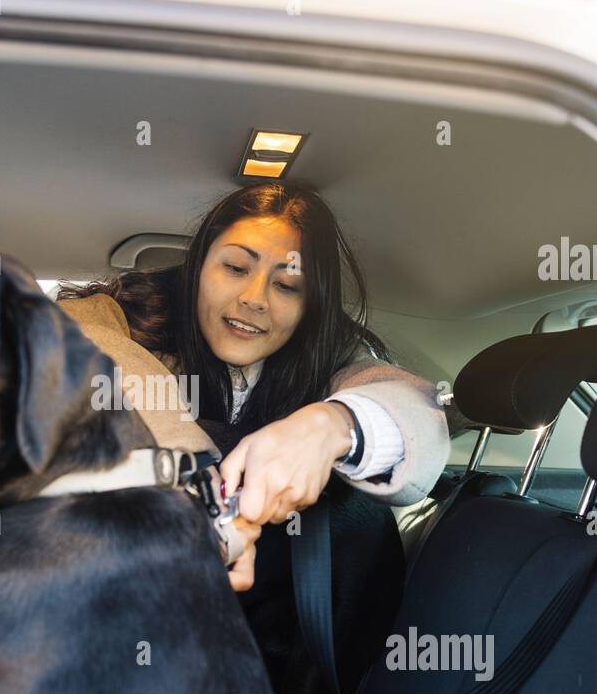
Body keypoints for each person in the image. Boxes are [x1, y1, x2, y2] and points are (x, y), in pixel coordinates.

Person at [56, 182, 449, 590]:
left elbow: (414, 412)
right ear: (198, 266)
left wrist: (331, 426)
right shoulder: (124, 317)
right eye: (236, 268)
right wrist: (189, 480)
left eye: (287, 286)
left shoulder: (329, 354)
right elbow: (72, 342)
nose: (254, 298)